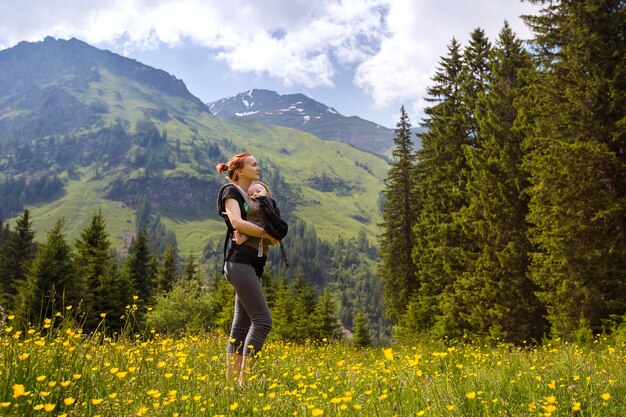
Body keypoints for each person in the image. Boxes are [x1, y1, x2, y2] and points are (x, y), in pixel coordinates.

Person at [216, 152, 278, 386]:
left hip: (253, 264)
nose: (258, 168)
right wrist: (266, 234)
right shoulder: (230, 192)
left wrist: (268, 233)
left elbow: (268, 229)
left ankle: (231, 386)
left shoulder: (255, 196)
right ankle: (245, 384)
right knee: (263, 321)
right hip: (238, 261)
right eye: (253, 164)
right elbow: (237, 222)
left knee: (241, 325)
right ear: (239, 171)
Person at [233, 181, 289, 268]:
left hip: (265, 223)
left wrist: (263, 200)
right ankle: (242, 237)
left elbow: (273, 213)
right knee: (249, 225)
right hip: (254, 224)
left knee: (254, 225)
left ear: (266, 194)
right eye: (251, 194)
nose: (255, 194)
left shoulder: (268, 201)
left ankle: (243, 237)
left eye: (258, 192)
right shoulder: (250, 203)